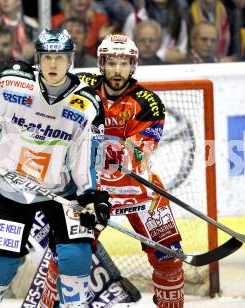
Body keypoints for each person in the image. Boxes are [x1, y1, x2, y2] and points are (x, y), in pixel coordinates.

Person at [0, 28, 111, 308]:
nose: (53, 64)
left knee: (76, 257)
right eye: (47, 57)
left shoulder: (88, 104)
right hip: (12, 190)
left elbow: (86, 155)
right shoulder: (14, 82)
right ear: (38, 58)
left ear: (70, 59)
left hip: (62, 190)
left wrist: (91, 196)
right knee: (0, 266)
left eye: (60, 57)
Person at [41, 34, 185, 308]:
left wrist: (113, 149)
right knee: (65, 258)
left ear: (133, 66)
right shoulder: (80, 87)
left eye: (124, 63)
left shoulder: (148, 102)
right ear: (101, 63)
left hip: (137, 189)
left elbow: (139, 151)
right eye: (111, 63)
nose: (117, 70)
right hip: (88, 188)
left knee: (170, 257)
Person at [123, 0, 188, 64]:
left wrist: (177, 54)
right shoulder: (135, 18)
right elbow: (127, 49)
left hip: (169, 67)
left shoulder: (179, 19)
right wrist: (161, 55)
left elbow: (182, 51)